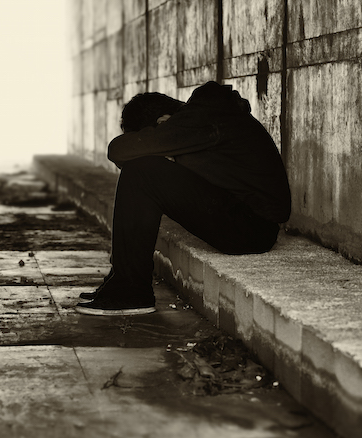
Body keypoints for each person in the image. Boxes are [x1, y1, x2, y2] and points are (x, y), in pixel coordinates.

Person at [76, 81, 291, 316]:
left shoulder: (200, 120)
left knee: (141, 171)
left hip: (252, 230)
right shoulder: (207, 118)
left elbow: (117, 149)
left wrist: (154, 150)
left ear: (162, 122)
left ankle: (131, 291)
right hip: (247, 221)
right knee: (143, 168)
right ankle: (121, 280)